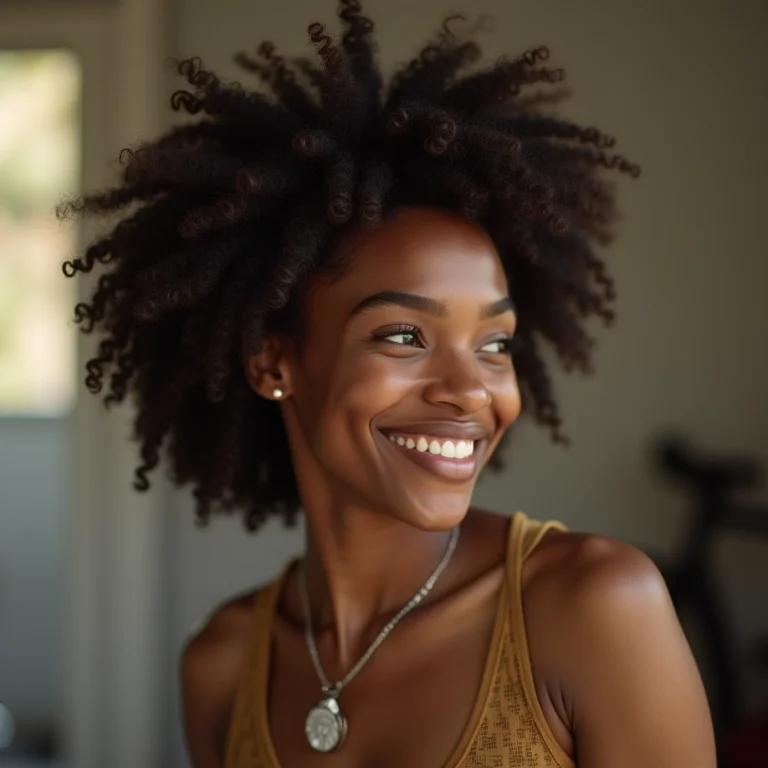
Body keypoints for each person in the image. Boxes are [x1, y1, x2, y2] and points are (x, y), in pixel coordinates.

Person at [60, 1, 716, 766]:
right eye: (404, 335)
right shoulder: (222, 662)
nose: (472, 391)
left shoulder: (593, 607)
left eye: (495, 343)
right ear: (272, 363)